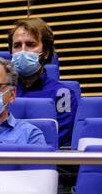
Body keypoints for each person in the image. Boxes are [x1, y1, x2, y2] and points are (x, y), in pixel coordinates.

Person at [8, 16, 77, 148]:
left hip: (44, 160)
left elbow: (58, 139)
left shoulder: (63, 94)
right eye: (17, 45)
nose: (22, 51)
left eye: (30, 44)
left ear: (45, 52)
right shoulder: (1, 91)